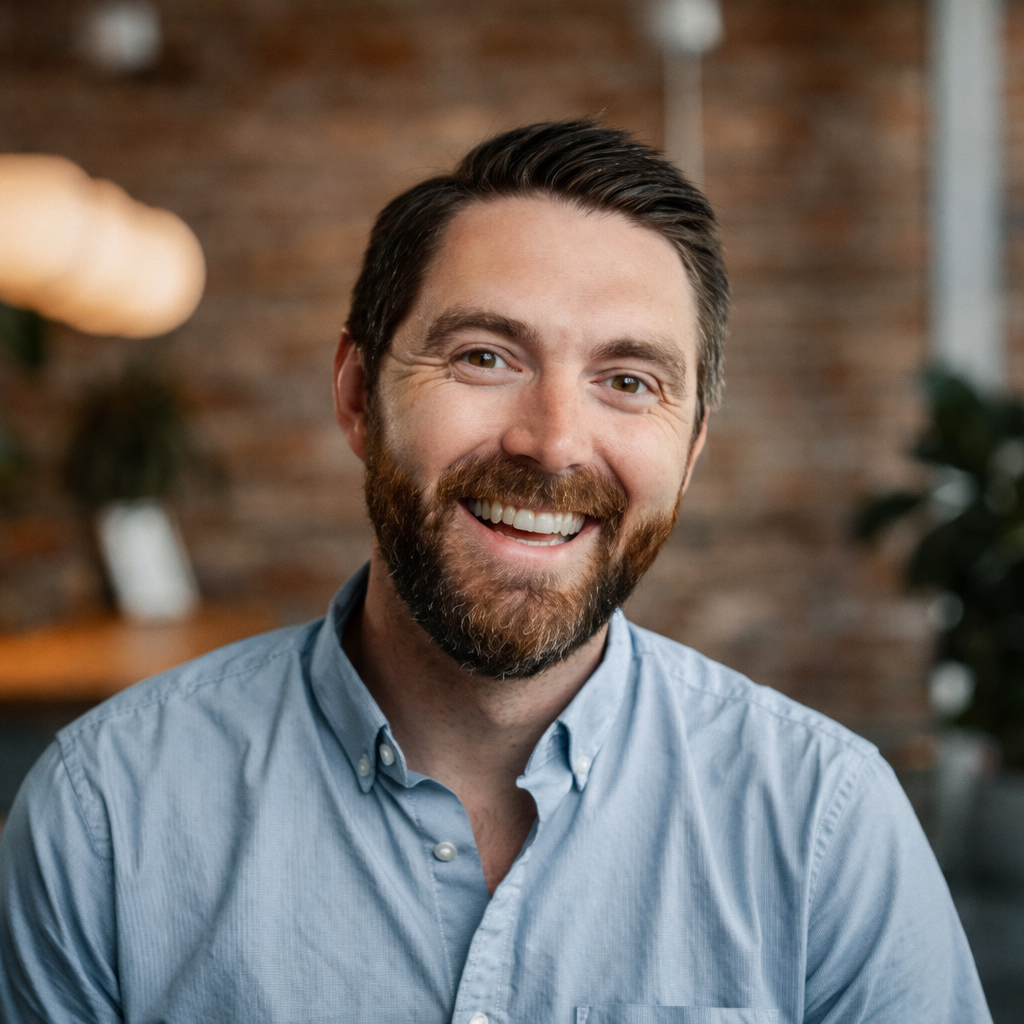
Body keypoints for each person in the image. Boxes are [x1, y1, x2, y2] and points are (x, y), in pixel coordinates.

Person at [0, 120, 990, 1024]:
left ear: (688, 452)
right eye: (483, 357)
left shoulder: (825, 820)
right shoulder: (106, 815)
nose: (553, 443)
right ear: (356, 394)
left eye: (629, 381)